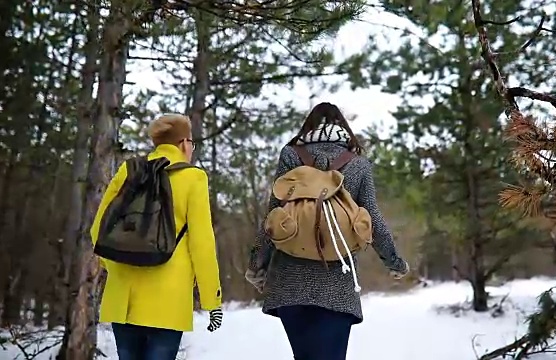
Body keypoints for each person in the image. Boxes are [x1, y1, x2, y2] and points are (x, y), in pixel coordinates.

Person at [245, 102, 410, 360]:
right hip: (338, 284)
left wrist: (256, 264)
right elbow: (373, 219)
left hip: (290, 284)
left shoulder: (290, 155)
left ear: (308, 127)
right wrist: (394, 261)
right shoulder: (358, 164)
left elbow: (273, 215)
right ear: (343, 129)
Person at [90, 114, 223, 360]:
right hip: (168, 301)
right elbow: (202, 244)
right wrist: (211, 300)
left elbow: (98, 229)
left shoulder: (129, 171)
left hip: (123, 298)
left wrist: (117, 264)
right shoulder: (193, 177)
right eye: (191, 144)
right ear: (184, 143)